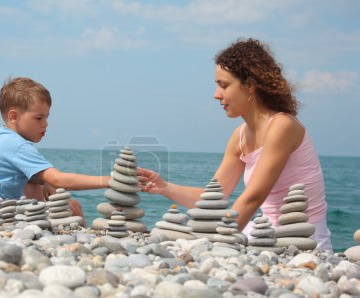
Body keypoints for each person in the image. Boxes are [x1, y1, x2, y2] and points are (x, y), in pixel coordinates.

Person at [138, 38, 332, 251]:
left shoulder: (282, 126)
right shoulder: (239, 136)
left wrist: (213, 242)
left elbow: (253, 198)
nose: (216, 94)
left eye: (224, 85)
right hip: (263, 232)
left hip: (303, 239)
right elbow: (212, 199)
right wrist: (165, 187)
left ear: (250, 85)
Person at [0, 77, 110, 219]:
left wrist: (45, 183)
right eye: (39, 118)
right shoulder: (17, 145)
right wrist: (108, 180)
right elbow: (58, 179)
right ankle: (77, 240)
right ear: (13, 116)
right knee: (73, 207)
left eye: (47, 117)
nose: (45, 124)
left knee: (38, 181)